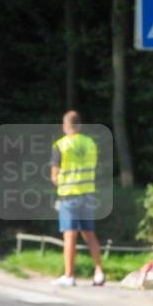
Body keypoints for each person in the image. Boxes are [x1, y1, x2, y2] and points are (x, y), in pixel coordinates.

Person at [50, 111, 105, 288]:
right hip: (88, 193)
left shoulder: (61, 145)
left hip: (69, 195)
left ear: (65, 125)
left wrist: (60, 183)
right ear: (79, 125)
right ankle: (99, 272)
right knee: (89, 233)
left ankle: (69, 275)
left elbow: (54, 175)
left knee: (70, 235)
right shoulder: (90, 143)